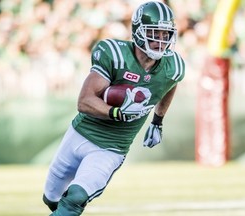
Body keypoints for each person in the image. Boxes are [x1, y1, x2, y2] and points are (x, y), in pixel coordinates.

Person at [42, 1, 185, 215]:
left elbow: (171, 83)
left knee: (75, 199)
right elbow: (84, 101)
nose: (161, 40)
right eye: (155, 32)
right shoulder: (115, 53)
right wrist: (116, 112)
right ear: (138, 31)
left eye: (166, 34)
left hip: (111, 148)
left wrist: (158, 120)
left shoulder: (173, 66)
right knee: (52, 199)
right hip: (79, 135)